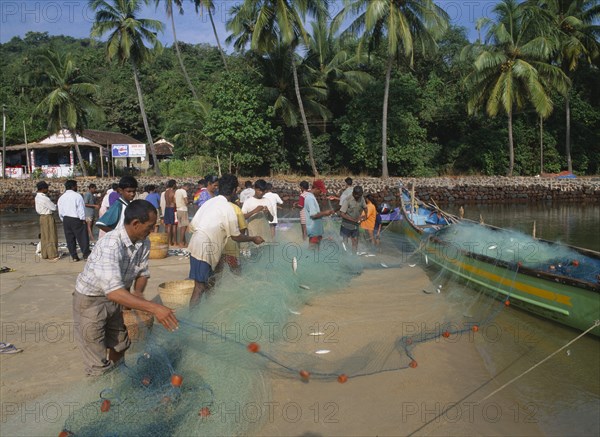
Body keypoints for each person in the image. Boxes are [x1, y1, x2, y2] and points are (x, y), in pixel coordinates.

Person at [73, 200, 178, 376]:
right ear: (136, 224)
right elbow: (113, 292)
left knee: (120, 344)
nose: (152, 230)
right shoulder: (110, 244)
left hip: (116, 299)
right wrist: (155, 308)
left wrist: (137, 294)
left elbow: (142, 272)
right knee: (97, 361)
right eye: (150, 226)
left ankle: (116, 380)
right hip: (92, 301)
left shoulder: (143, 242)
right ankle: (101, 396)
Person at [187, 174, 265, 307]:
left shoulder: (210, 202)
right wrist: (253, 238)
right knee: (199, 287)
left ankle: (207, 310)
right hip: (204, 249)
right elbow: (236, 236)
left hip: (197, 245)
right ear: (234, 191)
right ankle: (192, 319)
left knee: (210, 283)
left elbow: (192, 226)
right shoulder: (228, 208)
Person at [58, 180, 90, 262]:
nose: (77, 187)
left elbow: (60, 210)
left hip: (66, 219)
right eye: (76, 186)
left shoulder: (62, 197)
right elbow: (81, 209)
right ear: (73, 187)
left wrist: (63, 219)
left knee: (70, 238)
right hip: (76, 218)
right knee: (82, 237)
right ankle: (86, 254)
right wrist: (83, 219)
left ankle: (74, 256)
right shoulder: (77, 196)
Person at [241, 179, 275, 245]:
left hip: (265, 233)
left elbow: (271, 219)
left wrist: (268, 212)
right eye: (259, 190)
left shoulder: (267, 201)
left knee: (266, 252)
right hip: (253, 234)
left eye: (263, 191)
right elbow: (242, 217)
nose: (261, 193)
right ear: (254, 189)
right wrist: (255, 211)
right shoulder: (248, 201)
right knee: (254, 251)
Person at [304, 180, 334, 249]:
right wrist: (325, 213)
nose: (321, 193)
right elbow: (313, 215)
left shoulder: (311, 197)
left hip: (316, 232)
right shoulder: (310, 198)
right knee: (313, 254)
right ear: (316, 188)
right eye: (320, 191)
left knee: (315, 254)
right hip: (314, 232)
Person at [34, 181, 59, 261]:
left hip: (42, 217)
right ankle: (52, 254)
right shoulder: (44, 198)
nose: (48, 190)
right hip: (47, 217)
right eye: (46, 188)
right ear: (43, 189)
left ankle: (45, 253)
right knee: (51, 235)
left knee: (44, 236)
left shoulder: (37, 197)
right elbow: (53, 208)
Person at [339, 185, 368, 254]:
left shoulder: (361, 198)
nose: (358, 197)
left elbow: (365, 208)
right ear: (353, 193)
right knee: (345, 242)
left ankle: (354, 256)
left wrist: (365, 215)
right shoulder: (347, 200)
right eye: (357, 196)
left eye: (360, 195)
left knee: (355, 241)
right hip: (346, 224)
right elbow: (342, 213)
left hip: (355, 225)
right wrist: (352, 219)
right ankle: (344, 255)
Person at [175, 183, 190, 247]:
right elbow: (186, 201)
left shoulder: (177, 191)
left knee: (181, 226)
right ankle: (181, 242)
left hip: (178, 209)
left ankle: (184, 242)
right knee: (184, 227)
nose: (188, 189)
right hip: (183, 209)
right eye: (188, 188)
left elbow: (174, 199)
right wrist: (189, 202)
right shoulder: (184, 191)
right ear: (185, 187)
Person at [164, 180, 177, 245]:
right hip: (172, 208)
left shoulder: (166, 192)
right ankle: (171, 242)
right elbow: (174, 202)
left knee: (168, 225)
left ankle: (168, 241)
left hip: (166, 208)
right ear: (174, 185)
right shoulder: (173, 192)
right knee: (171, 225)